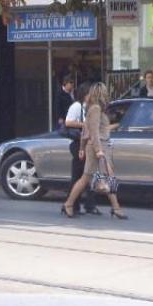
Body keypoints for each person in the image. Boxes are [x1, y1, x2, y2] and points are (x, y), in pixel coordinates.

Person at [62, 82, 127, 220]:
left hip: (101, 147)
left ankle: (116, 208)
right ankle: (69, 204)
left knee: (94, 177)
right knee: (90, 178)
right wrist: (98, 150)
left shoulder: (95, 109)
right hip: (98, 148)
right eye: (105, 92)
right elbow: (93, 132)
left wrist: (82, 148)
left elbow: (87, 130)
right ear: (101, 93)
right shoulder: (96, 109)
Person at [65, 83, 99, 215]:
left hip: (87, 144)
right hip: (78, 143)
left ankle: (88, 204)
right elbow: (68, 122)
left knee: (89, 176)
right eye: (90, 93)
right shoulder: (77, 106)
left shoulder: (89, 107)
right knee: (79, 176)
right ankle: (73, 204)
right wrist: (85, 124)